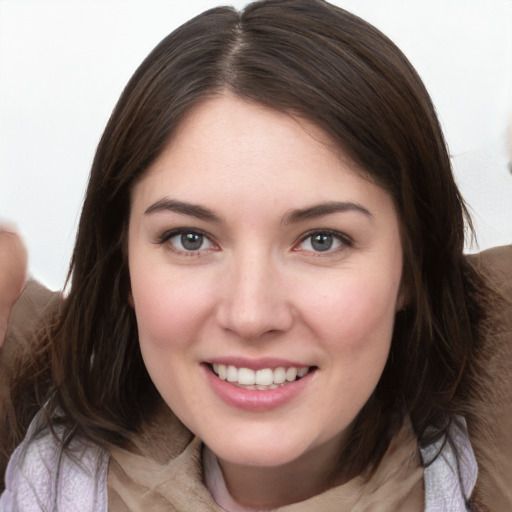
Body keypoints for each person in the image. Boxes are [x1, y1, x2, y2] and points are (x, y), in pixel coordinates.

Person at [1, 0, 511, 510]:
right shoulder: (45, 481)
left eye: (321, 240)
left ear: (411, 269)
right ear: (123, 269)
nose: (250, 315)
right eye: (190, 239)